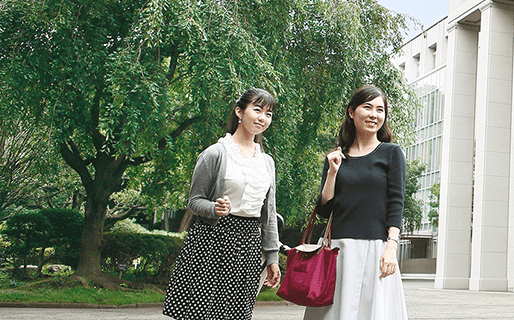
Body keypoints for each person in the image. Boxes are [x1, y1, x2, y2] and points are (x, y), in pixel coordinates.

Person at [163, 88, 281, 320]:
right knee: (201, 312)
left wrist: (273, 258)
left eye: (268, 114)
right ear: (239, 111)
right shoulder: (215, 154)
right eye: (257, 110)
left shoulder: (266, 162)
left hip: (248, 244)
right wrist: (214, 208)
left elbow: (269, 214)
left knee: (236, 314)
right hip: (212, 240)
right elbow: (194, 201)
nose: (262, 118)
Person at [306, 85, 408, 320]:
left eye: (380, 109)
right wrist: (332, 173)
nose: (374, 114)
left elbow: (396, 202)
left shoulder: (391, 153)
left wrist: (391, 247)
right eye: (367, 107)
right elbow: (323, 210)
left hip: (375, 248)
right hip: (338, 251)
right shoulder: (337, 156)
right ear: (351, 112)